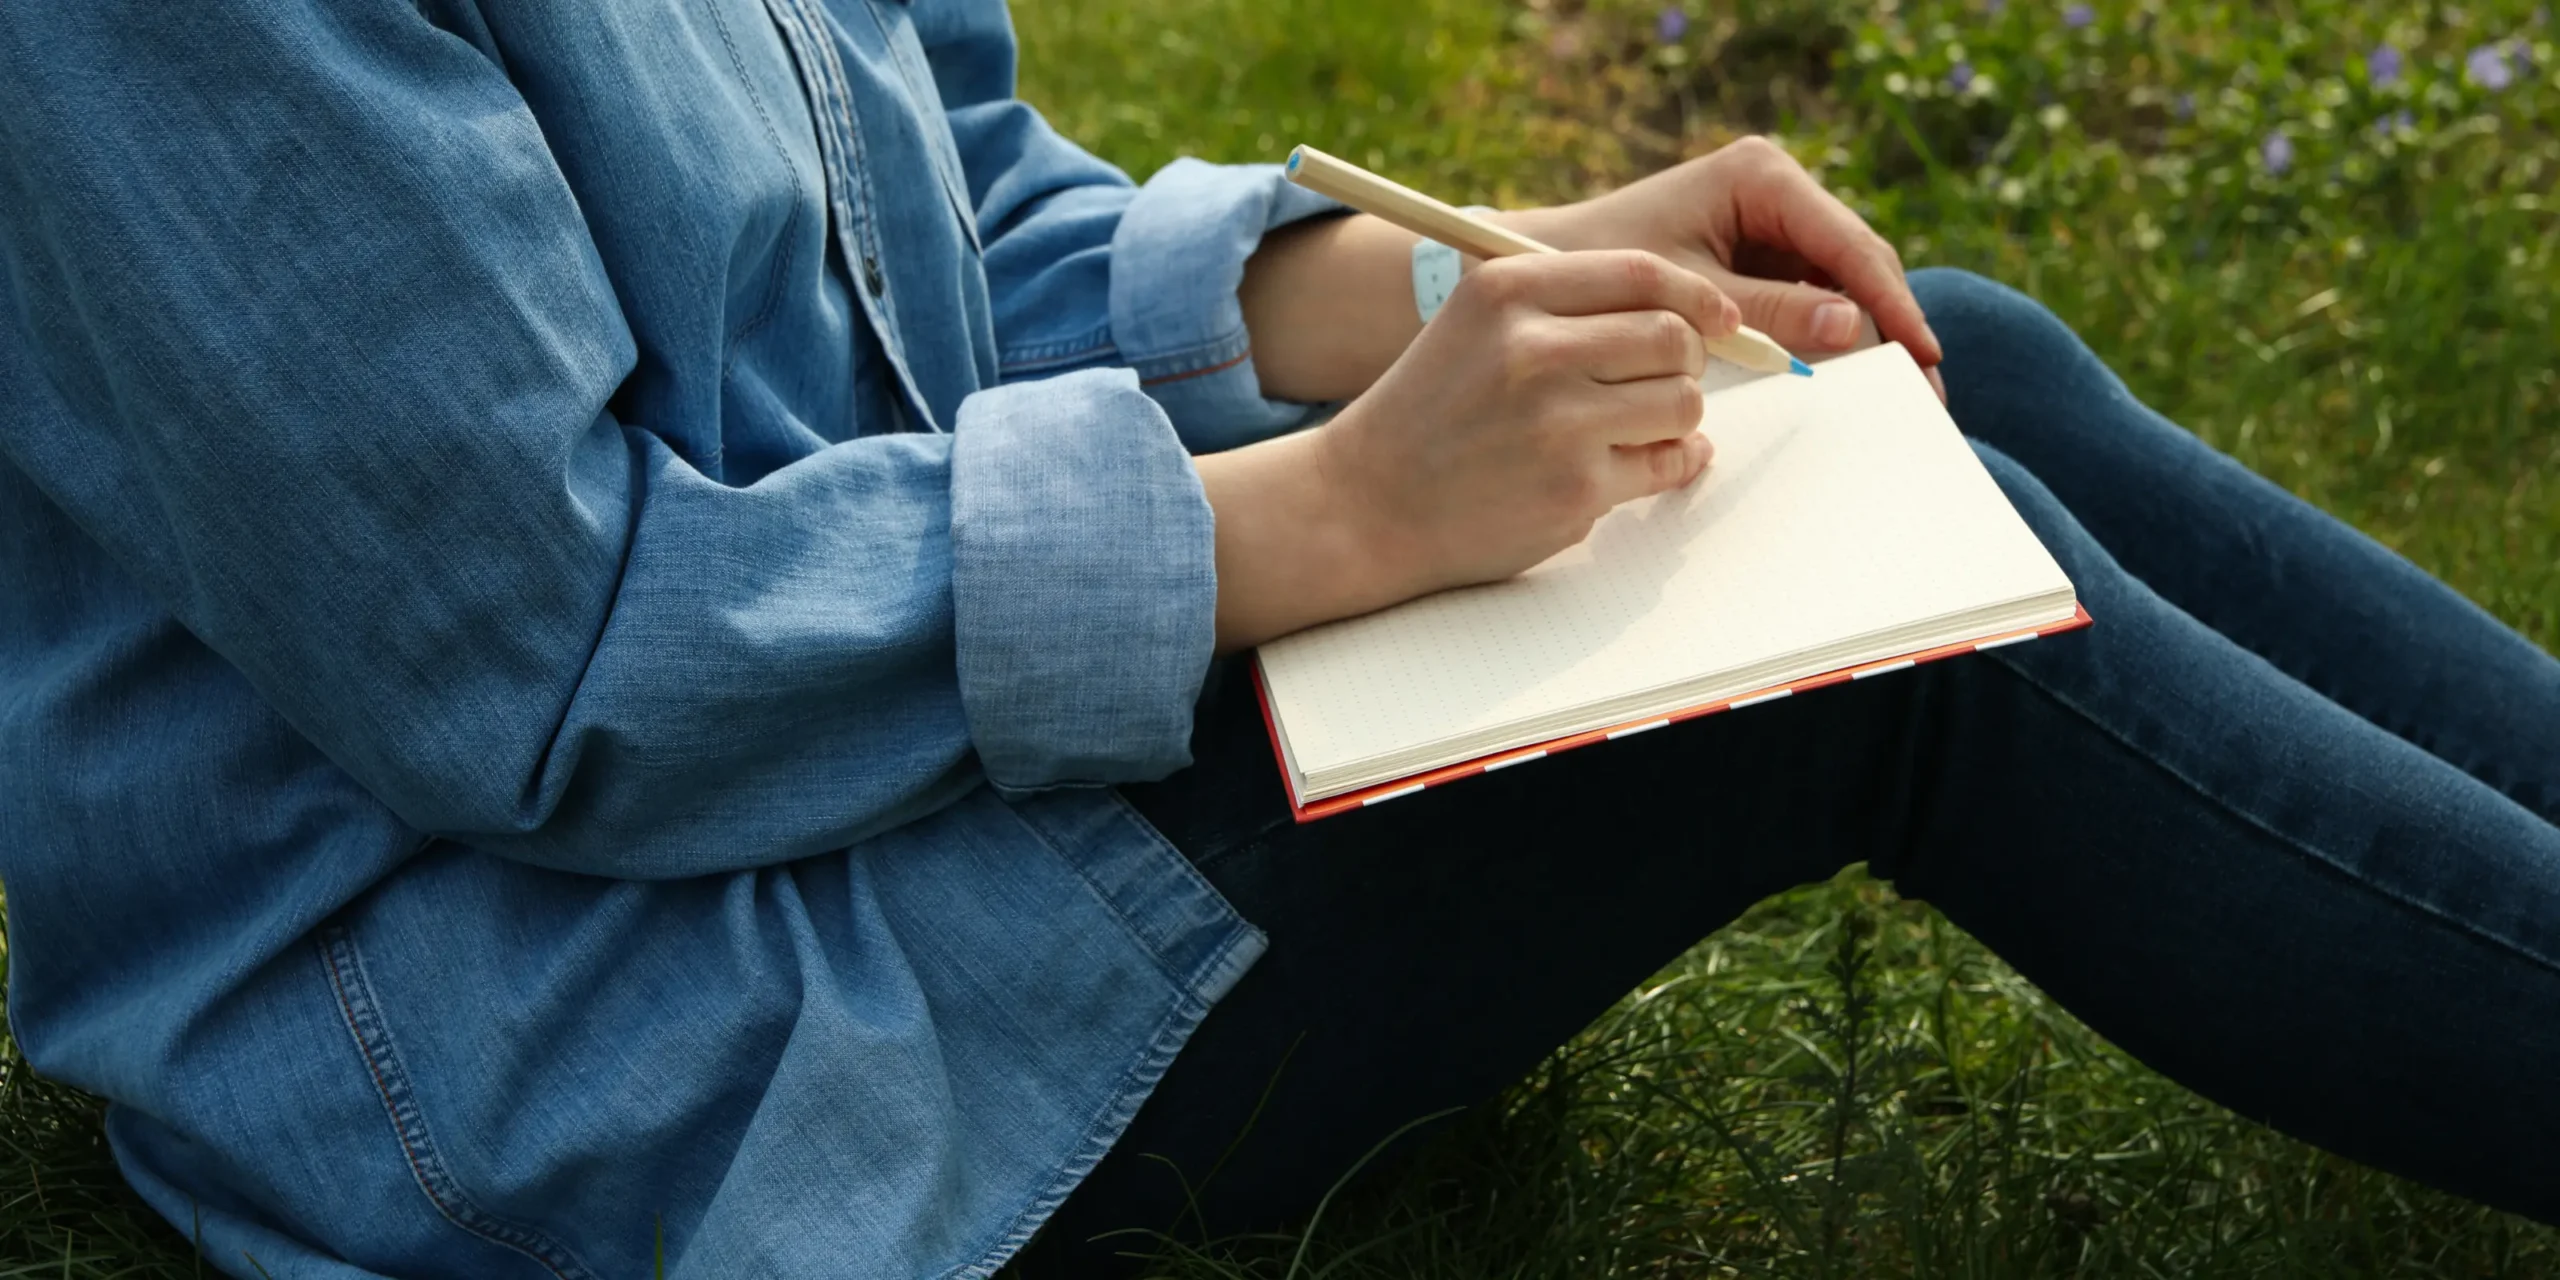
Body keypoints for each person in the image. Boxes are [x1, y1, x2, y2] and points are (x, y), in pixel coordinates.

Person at [0, 1, 2552, 1276]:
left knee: (1914, 371)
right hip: (585, 1040)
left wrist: (1433, 291)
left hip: (826, 788)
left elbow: (942, 223)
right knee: (1891, 643)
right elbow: (540, 663)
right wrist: (1328, 513)